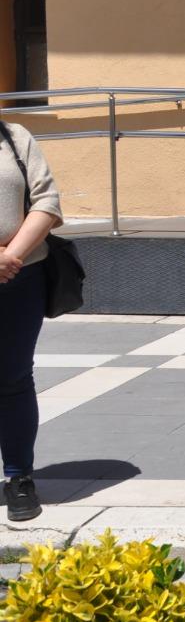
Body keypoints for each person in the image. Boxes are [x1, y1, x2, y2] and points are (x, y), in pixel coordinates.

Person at [0, 115, 63, 523]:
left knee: (14, 378)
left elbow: (47, 201)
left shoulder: (14, 136)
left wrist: (11, 256)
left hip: (19, 278)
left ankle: (19, 477)